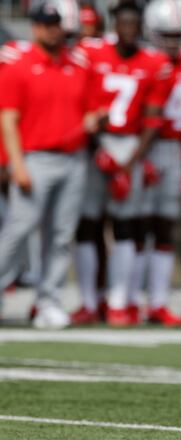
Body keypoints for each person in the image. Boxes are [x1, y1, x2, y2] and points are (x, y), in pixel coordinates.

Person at [0, 0, 96, 329]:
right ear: (36, 26)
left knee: (60, 235)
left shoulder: (77, 64)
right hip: (35, 158)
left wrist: (93, 119)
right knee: (19, 229)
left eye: (57, 24)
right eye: (48, 23)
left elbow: (89, 109)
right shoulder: (20, 65)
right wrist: (17, 164)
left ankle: (48, 300)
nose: (53, 29)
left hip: (73, 159)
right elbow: (8, 120)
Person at [76, 1, 172, 327]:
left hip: (130, 145)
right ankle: (90, 301)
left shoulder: (154, 61)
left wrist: (130, 162)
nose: (128, 29)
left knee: (125, 225)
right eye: (123, 23)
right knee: (87, 223)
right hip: (96, 144)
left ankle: (118, 300)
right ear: (114, 24)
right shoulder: (92, 54)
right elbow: (80, 106)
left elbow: (153, 121)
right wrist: (95, 147)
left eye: (134, 23)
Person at [136, 0, 181, 326]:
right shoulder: (144, 62)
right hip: (141, 147)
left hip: (173, 150)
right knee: (135, 225)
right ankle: (128, 298)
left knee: (164, 225)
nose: (171, 40)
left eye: (177, 34)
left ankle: (159, 300)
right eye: (165, 33)